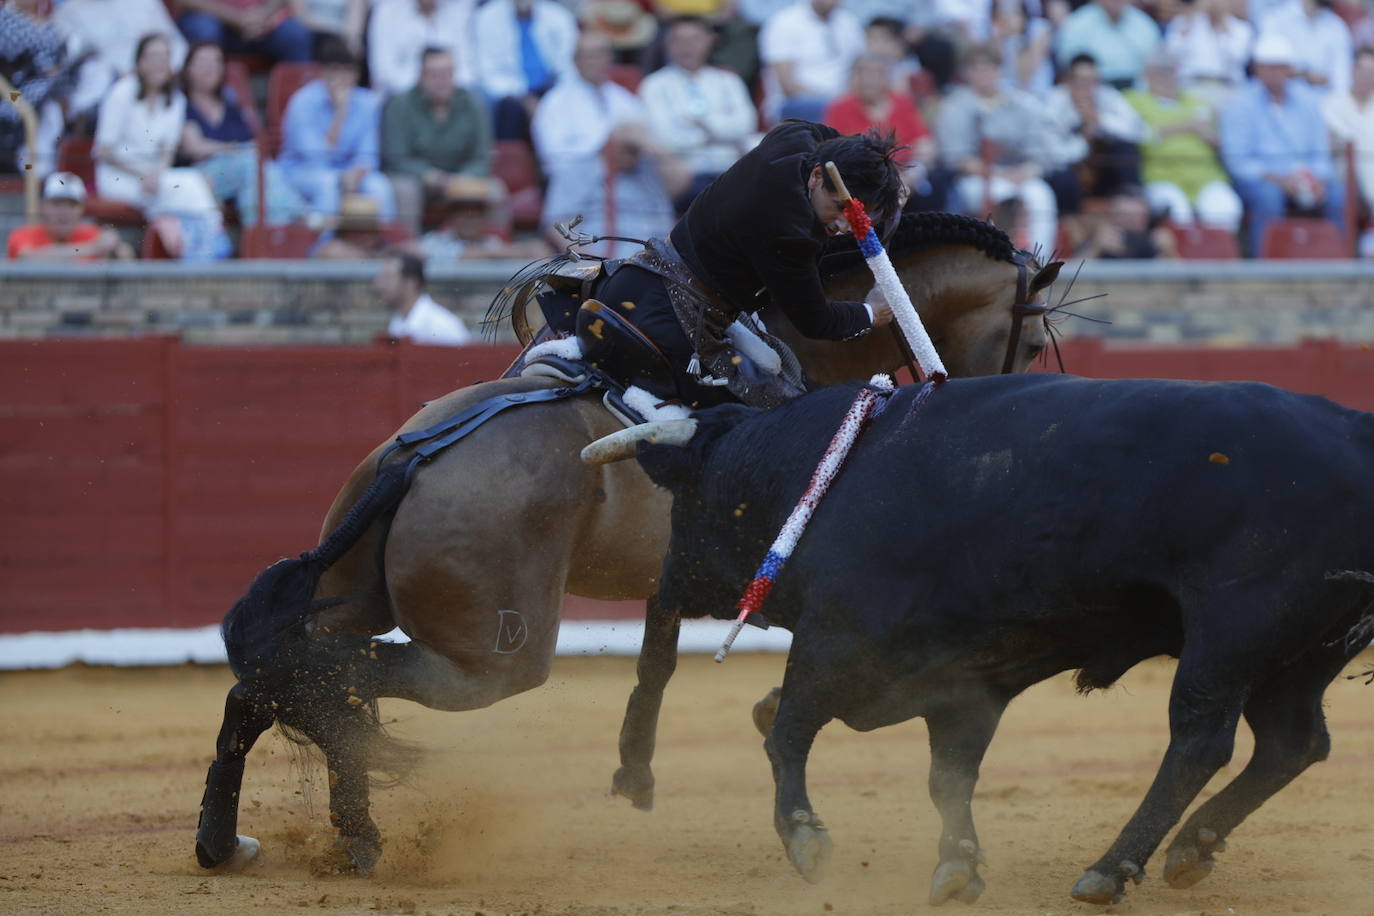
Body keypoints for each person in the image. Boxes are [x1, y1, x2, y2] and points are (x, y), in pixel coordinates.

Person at [584, 121, 904, 408]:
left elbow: (828, 138)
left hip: (649, 278)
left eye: (855, 216)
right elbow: (816, 321)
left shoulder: (793, 138)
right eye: (838, 208)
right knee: (774, 421)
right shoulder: (791, 234)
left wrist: (874, 168)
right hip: (667, 315)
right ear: (817, 176)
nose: (845, 226)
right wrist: (873, 313)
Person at [93, 33, 229, 259]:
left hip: (156, 176)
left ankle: (198, 247)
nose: (160, 64)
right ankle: (208, 248)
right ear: (140, 62)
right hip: (118, 175)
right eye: (154, 57)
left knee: (188, 185)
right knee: (190, 186)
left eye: (165, 57)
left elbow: (167, 150)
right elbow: (104, 151)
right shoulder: (121, 93)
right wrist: (144, 175)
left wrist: (157, 174)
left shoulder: (176, 100)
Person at [938, 43, 1078, 256]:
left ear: (1000, 70)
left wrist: (1027, 171)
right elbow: (956, 157)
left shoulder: (1022, 104)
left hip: (1020, 173)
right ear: (968, 72)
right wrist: (997, 173)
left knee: (1041, 196)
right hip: (976, 178)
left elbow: (1042, 151)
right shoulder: (955, 105)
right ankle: (1000, 262)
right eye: (977, 68)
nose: (984, 74)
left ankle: (1038, 265)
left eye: (990, 67)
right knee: (1002, 196)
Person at [1219, 32, 1342, 255]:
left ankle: (1338, 265)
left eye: (1280, 67)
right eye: (1269, 67)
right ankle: (1266, 267)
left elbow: (1320, 152)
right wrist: (1277, 179)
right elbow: (1238, 161)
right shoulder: (1239, 104)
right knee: (1269, 196)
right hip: (1262, 180)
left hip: (1305, 178)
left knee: (1337, 195)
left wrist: (1319, 180)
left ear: (1288, 69)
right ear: (1257, 69)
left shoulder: (1308, 101)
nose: (1275, 73)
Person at [179, 41, 306, 226]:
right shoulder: (181, 104)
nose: (211, 68)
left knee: (260, 166)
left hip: (239, 172)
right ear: (188, 68)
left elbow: (252, 140)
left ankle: (266, 229)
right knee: (251, 163)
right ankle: (286, 219)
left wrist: (236, 149)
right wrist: (232, 148)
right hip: (202, 175)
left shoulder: (230, 104)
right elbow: (195, 148)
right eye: (203, 62)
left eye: (216, 61)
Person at [638, 16, 757, 213]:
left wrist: (704, 123)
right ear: (668, 44)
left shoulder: (728, 80)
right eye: (679, 40)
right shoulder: (654, 85)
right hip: (683, 174)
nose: (687, 47)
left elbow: (746, 124)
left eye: (694, 39)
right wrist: (719, 134)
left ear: (709, 41)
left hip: (729, 169)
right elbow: (665, 137)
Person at [277, 36, 395, 227]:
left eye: (348, 72)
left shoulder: (368, 103)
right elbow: (317, 158)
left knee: (380, 187)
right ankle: (324, 249)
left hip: (349, 171)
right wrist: (341, 113)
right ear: (323, 73)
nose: (342, 79)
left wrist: (356, 174)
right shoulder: (303, 102)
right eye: (335, 72)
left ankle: (382, 249)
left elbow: (368, 155)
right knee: (329, 184)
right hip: (302, 172)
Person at [1124, 49, 1242, 230]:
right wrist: (1189, 127)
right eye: (1160, 71)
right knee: (1179, 213)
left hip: (1205, 176)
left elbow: (1217, 140)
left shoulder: (1196, 102)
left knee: (1226, 209)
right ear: (1147, 75)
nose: (1166, 77)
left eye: (1170, 71)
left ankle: (1214, 257)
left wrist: (1209, 136)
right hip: (1162, 177)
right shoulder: (1134, 101)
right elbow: (1143, 135)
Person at [382, 46, 491, 233]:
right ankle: (409, 253)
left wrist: (464, 177)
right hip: (416, 179)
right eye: (435, 74)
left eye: (447, 73)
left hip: (460, 178)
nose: (442, 81)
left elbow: (481, 158)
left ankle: (492, 251)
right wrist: (428, 175)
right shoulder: (399, 104)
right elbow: (395, 157)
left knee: (496, 192)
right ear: (421, 76)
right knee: (404, 191)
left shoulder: (472, 104)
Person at [52, 0, 187, 129]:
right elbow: (68, 57)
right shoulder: (68, 11)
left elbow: (177, 44)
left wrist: (165, 68)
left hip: (157, 74)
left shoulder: (145, 2)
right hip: (109, 82)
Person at [471, 0, 579, 141]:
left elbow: (569, 66)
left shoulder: (559, 16)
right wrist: (524, 98)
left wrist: (552, 100)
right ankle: (510, 159)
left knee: (572, 102)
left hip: (553, 91)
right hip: (512, 97)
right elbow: (488, 74)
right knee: (510, 109)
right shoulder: (486, 17)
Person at [1045, 53, 1145, 199]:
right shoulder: (1054, 103)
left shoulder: (1107, 95)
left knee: (1125, 150)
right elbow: (1054, 154)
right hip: (1067, 171)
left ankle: (1132, 203)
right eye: (1083, 81)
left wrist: (1099, 120)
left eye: (1094, 81)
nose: (1089, 88)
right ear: (1068, 81)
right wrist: (1084, 139)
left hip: (1103, 171)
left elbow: (1138, 131)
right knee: (1062, 177)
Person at [0, 0, 81, 174]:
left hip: (53, 85)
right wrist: (42, 68)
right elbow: (11, 54)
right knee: (49, 110)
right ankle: (31, 166)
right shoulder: (3, 18)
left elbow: (62, 54)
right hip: (16, 89)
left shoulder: (50, 22)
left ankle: (42, 166)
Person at [758, 0, 864, 124]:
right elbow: (787, 85)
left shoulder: (849, 22)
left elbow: (859, 68)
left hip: (842, 100)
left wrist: (847, 98)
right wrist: (834, 101)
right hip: (796, 102)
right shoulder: (784, 22)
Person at [6, 171, 134, 260]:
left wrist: (116, 248)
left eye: (71, 205)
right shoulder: (23, 235)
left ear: (82, 210)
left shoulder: (93, 234)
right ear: (42, 207)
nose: (65, 211)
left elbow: (126, 257)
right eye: (57, 204)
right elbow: (27, 259)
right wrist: (94, 248)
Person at [366, 0, 477, 98]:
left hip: (451, 98)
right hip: (402, 99)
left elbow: (468, 70)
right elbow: (385, 74)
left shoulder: (460, 11)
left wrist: (442, 85)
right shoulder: (387, 12)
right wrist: (429, 84)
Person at [1322, 46, 1374, 251]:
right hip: (1342, 170)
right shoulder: (1333, 102)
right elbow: (1337, 143)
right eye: (1364, 71)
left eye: (1372, 73)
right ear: (1352, 71)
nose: (1368, 77)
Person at [1162, 0, 1255, 111]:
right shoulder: (1183, 22)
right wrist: (1189, 23)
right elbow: (1173, 55)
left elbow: (1237, 59)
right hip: (1192, 86)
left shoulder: (1241, 28)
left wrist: (1222, 27)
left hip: (1228, 88)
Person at [1054, 0, 1161, 90]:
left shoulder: (1145, 25)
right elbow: (1070, 68)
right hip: (1094, 91)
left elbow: (1155, 67)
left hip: (1138, 93)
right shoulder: (1076, 24)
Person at [374, 253, 474, 345]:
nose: (379, 285)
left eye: (388, 278)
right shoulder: (397, 321)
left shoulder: (441, 325)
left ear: (411, 283)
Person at [1257, 0, 1352, 96]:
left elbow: (1341, 78)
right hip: (1281, 99)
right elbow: (1268, 64)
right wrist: (1306, 76)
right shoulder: (1276, 18)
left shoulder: (1336, 26)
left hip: (1325, 101)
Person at [175, 0, 313, 65]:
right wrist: (237, 18)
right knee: (203, 28)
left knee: (295, 34)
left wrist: (263, 14)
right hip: (215, 20)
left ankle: (298, 108)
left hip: (262, 22)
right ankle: (205, 107)